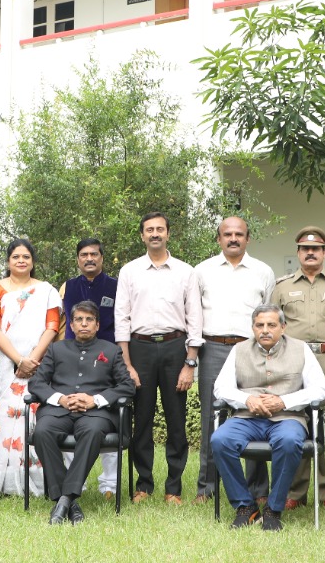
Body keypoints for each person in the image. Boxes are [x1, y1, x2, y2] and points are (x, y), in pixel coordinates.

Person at [210, 304, 325, 532]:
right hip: (247, 417)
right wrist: (247, 400)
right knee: (220, 440)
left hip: (287, 417)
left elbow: (321, 390)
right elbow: (221, 388)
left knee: (289, 441)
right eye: (259, 325)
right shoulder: (239, 350)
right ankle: (245, 506)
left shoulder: (301, 349)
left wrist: (284, 401)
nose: (265, 330)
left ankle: (273, 509)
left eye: (271, 325)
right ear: (253, 328)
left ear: (283, 327)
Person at [115, 211, 202, 504]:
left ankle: (173, 488)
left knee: (177, 420)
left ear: (168, 234)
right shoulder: (129, 271)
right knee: (142, 420)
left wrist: (190, 363)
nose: (155, 233)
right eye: (149, 229)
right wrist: (127, 364)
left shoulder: (185, 272)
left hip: (175, 347)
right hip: (139, 349)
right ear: (142, 235)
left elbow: (195, 319)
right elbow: (121, 319)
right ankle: (144, 485)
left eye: (160, 229)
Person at [269, 226, 325, 511]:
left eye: (316, 249)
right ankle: (295, 491)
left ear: (324, 253)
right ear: (298, 253)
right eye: (305, 249)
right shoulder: (281, 287)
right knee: (292, 422)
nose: (310, 253)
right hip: (291, 359)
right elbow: (270, 328)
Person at [193, 216, 275, 505]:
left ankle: (258, 489)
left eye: (239, 234)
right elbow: (194, 314)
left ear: (248, 238)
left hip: (251, 350)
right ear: (219, 239)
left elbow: (269, 314)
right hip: (213, 347)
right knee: (212, 417)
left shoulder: (263, 271)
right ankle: (207, 487)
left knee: (255, 413)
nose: (233, 238)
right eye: (227, 234)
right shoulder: (202, 271)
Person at [29, 300, 134, 524]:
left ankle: (64, 500)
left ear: (97, 325)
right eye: (79, 320)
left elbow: (127, 386)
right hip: (58, 411)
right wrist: (61, 399)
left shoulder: (111, 350)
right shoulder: (56, 349)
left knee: (92, 431)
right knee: (42, 432)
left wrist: (95, 400)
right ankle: (69, 501)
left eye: (89, 320)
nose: (84, 324)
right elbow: (36, 383)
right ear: (72, 325)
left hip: (95, 415)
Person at [0, 239, 62, 496]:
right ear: (8, 261)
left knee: (35, 415)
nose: (21, 261)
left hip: (39, 363)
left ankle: (38, 481)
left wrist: (32, 360)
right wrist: (18, 359)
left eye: (26, 256)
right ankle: (1, 483)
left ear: (33, 261)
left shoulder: (46, 290)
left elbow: (52, 327)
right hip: (5, 364)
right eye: (16, 256)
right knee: (4, 417)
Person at [58, 238, 121, 498]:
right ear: (77, 259)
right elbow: (62, 324)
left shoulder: (116, 286)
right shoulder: (68, 287)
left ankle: (110, 485)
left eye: (94, 254)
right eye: (84, 254)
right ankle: (76, 482)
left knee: (107, 417)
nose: (89, 258)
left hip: (107, 359)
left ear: (102, 258)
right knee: (70, 411)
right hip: (72, 359)